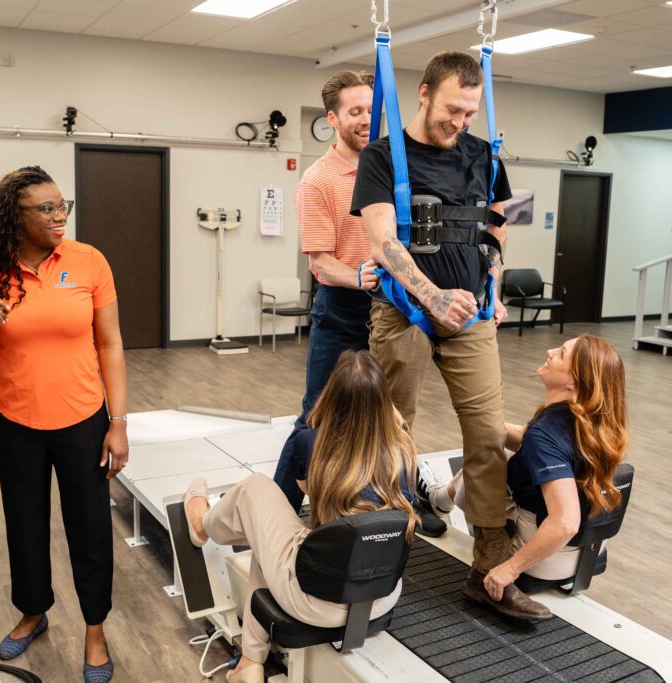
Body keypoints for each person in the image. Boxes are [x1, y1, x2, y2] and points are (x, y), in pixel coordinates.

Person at [350, 50, 547, 618]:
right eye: (452, 109)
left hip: (473, 320)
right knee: (390, 434)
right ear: (424, 92)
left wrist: (495, 286)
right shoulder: (383, 157)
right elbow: (383, 242)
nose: (460, 122)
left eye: (469, 113)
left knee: (487, 436)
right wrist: (432, 297)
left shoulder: (485, 156)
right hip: (405, 314)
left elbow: (502, 223)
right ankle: (375, 555)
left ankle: (489, 564)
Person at [0, 166, 127, 682]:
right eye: (46, 209)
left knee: (91, 529)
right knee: (24, 524)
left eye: (62, 206)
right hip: (17, 422)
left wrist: (117, 423)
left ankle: (95, 630)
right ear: (17, 215)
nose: (59, 217)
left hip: (82, 421)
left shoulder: (88, 260)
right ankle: (33, 612)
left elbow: (110, 344)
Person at [184, 351, 419, 683]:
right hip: (382, 597)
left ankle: (204, 525)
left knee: (256, 489)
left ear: (332, 396)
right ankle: (249, 663)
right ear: (384, 403)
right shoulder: (405, 453)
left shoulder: (310, 443)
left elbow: (291, 493)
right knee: (276, 543)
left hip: (315, 603)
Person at [420, 335, 629, 618]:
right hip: (579, 560)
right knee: (505, 454)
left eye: (561, 353)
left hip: (533, 563)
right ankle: (438, 499)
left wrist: (508, 570)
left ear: (574, 382)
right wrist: (482, 419)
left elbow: (566, 522)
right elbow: (532, 443)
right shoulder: (593, 423)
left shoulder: (547, 435)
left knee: (487, 462)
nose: (549, 351)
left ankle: (436, 501)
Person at [272, 70, 379, 510]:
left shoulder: (389, 169)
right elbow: (319, 262)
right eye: (355, 112)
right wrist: (358, 276)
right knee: (318, 414)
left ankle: (373, 503)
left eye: (372, 110)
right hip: (342, 306)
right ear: (333, 119)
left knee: (380, 415)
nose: (366, 120)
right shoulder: (318, 181)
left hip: (389, 308)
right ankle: (276, 505)